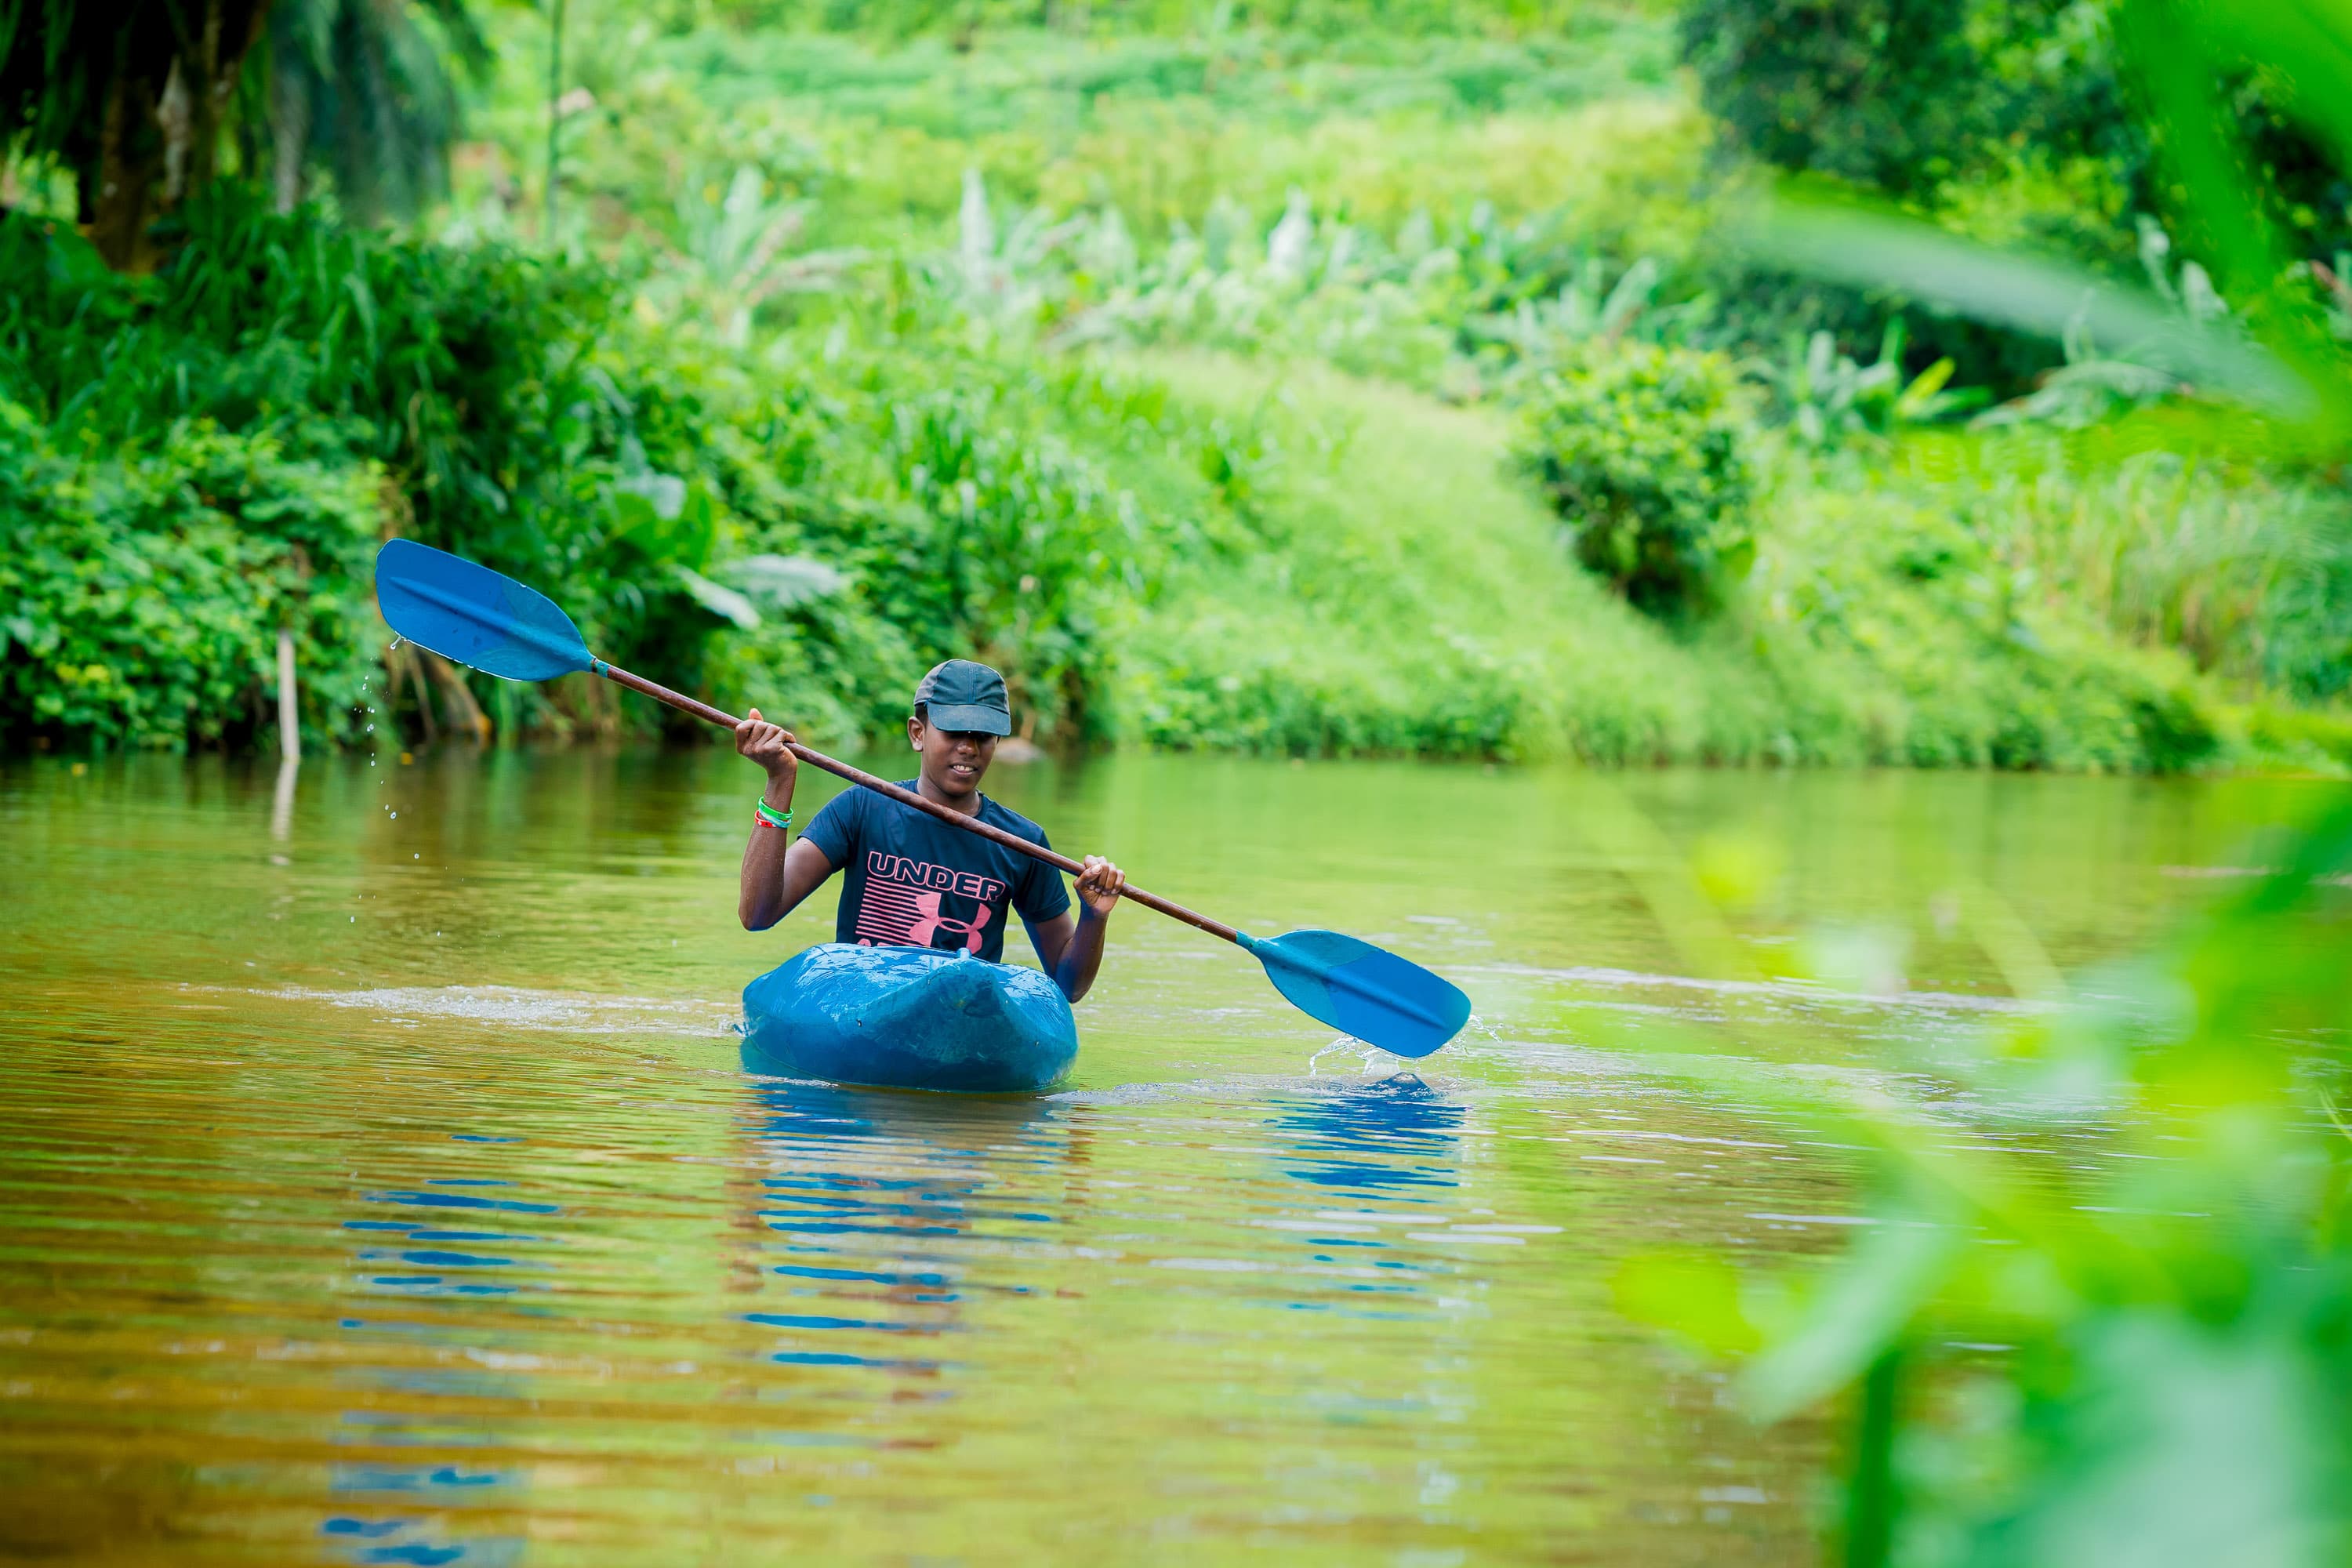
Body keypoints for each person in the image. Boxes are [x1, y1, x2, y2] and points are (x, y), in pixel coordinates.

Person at [732, 659, 1126, 1003]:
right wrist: (779, 780)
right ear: (918, 733)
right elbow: (758, 913)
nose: (969, 748)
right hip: (861, 1004)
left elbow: (1068, 986)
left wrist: (1095, 915)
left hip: (961, 1011)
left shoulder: (1022, 842)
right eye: (954, 732)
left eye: (983, 736)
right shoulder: (862, 807)